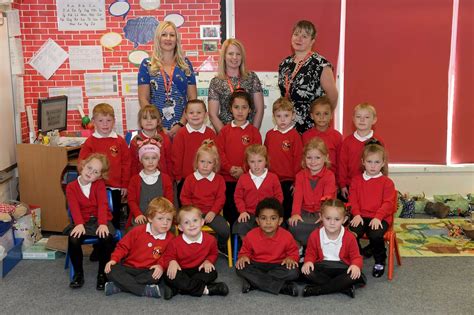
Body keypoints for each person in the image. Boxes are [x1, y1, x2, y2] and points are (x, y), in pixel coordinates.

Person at [104, 197, 176, 298]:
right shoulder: (137, 231)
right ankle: (143, 290)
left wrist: (160, 266)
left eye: (169, 219)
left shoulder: (170, 238)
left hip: (147, 270)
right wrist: (114, 259)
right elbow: (122, 247)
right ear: (150, 218)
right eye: (160, 218)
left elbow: (168, 256)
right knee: (110, 270)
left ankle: (120, 286)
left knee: (156, 276)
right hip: (129, 267)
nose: (165, 223)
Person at [138, 21, 197, 138]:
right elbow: (143, 99)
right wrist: (157, 125)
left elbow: (192, 98)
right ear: (158, 38)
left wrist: (181, 123)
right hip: (155, 129)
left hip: (183, 127)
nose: (168, 38)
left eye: (172, 35)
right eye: (164, 35)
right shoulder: (147, 64)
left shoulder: (185, 65)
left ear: (177, 39)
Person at [64, 153, 115, 290]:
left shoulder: (99, 185)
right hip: (81, 221)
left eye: (95, 172)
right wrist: (79, 224)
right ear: (83, 165)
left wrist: (103, 223)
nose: (90, 173)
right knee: (73, 239)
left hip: (100, 219)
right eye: (89, 168)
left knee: (107, 238)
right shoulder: (71, 187)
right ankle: (78, 274)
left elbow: (103, 205)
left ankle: (102, 274)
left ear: (99, 176)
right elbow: (73, 207)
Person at [278, 20, 338, 134]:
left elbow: (333, 96)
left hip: (312, 126)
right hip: (288, 125)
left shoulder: (320, 64)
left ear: (312, 41)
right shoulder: (284, 64)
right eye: (296, 34)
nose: (299, 39)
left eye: (304, 36)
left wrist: (322, 118)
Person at [159, 206, 229, 299]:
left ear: (202, 222)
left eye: (195, 220)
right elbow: (168, 256)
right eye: (186, 222)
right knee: (168, 275)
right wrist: (172, 261)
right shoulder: (174, 242)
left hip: (199, 268)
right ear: (180, 227)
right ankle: (207, 290)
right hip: (182, 270)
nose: (191, 225)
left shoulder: (210, 239)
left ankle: (178, 289)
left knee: (212, 273)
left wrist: (208, 261)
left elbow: (213, 253)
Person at [79, 103, 131, 229]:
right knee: (99, 218)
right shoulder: (90, 142)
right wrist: (86, 182)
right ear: (93, 122)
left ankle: (115, 243)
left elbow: (126, 163)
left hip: (115, 187)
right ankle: (101, 243)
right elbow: (82, 163)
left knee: (115, 217)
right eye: (101, 120)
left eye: (108, 120)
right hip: (95, 187)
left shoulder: (119, 141)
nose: (105, 124)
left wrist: (124, 184)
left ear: (114, 121)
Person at [302, 199, 366, 298]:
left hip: (342, 267)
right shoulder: (315, 235)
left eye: (337, 219)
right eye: (328, 218)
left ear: (344, 220)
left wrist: (356, 265)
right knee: (306, 271)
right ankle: (343, 288)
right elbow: (310, 252)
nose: (332, 223)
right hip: (323, 266)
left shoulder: (349, 237)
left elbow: (356, 257)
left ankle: (318, 290)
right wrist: (308, 261)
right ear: (321, 217)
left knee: (355, 275)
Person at [235, 198, 300, 297]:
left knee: (294, 271)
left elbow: (293, 253)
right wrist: (243, 257)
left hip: (278, 265)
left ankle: (254, 283)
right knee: (240, 268)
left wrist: (291, 258)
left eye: (273, 218)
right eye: (263, 218)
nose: (268, 222)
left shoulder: (287, 236)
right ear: (257, 220)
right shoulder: (251, 235)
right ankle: (282, 287)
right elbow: (244, 252)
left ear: (280, 220)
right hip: (257, 265)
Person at [349, 143, 395, 278]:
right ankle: (356, 258)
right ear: (363, 162)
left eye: (377, 162)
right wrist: (356, 214)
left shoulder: (387, 183)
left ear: (383, 163)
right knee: (351, 233)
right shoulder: (356, 181)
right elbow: (353, 200)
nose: (373, 165)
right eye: (369, 162)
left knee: (375, 235)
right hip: (360, 216)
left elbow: (388, 203)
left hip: (380, 217)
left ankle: (380, 261)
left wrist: (378, 217)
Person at [216, 90, 262, 227]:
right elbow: (219, 153)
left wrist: (244, 169)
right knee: (230, 214)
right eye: (236, 107)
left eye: (244, 107)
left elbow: (258, 155)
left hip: (248, 180)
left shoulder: (254, 132)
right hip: (227, 180)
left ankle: (245, 245)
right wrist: (229, 168)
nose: (240, 111)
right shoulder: (224, 131)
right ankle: (229, 245)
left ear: (250, 109)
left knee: (246, 215)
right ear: (230, 109)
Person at [180, 140, 229, 253]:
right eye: (202, 161)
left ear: (215, 164)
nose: (205, 165)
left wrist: (213, 212)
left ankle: (219, 246)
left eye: (209, 162)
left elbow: (220, 199)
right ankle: (192, 249)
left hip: (212, 213)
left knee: (224, 230)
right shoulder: (190, 179)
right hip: (193, 214)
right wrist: (194, 213)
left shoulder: (219, 180)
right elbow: (185, 197)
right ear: (197, 162)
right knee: (190, 229)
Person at [208, 38, 264, 132]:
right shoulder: (216, 82)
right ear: (224, 56)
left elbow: (260, 109)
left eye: (238, 54)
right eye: (230, 53)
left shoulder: (252, 78)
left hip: (248, 135)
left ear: (242, 57)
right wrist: (226, 137)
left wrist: (253, 134)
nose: (234, 57)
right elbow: (213, 115)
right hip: (226, 135)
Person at [289, 138, 337, 248]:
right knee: (293, 225)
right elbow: (297, 198)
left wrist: (324, 215)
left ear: (325, 158)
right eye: (309, 158)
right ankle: (301, 248)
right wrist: (295, 213)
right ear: (304, 159)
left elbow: (328, 199)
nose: (313, 161)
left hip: (321, 212)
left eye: (317, 158)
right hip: (305, 212)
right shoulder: (300, 175)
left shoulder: (329, 176)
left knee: (326, 226)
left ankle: (317, 249)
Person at [264, 97, 303, 221]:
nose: (282, 119)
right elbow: (264, 157)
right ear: (273, 117)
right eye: (278, 116)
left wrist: (296, 183)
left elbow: (299, 161)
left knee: (286, 212)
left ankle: (286, 237)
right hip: (271, 179)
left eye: (286, 115)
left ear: (292, 116)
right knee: (273, 211)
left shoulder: (295, 136)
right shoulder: (270, 135)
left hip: (288, 182)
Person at [233, 144, 283, 238]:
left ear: (266, 161)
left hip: (268, 215)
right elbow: (238, 197)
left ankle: (267, 251)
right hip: (249, 214)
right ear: (247, 162)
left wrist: (272, 211)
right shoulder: (243, 178)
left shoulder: (273, 178)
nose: (256, 165)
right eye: (252, 161)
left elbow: (279, 196)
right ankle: (248, 249)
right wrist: (242, 211)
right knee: (241, 227)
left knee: (274, 229)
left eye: (260, 161)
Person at [172, 99, 216, 201]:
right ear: (186, 115)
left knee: (205, 205)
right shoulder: (181, 134)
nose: (195, 115)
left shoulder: (210, 134)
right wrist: (178, 177)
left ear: (205, 114)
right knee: (186, 210)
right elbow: (176, 157)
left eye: (199, 112)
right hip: (185, 179)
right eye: (191, 113)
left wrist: (214, 174)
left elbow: (215, 157)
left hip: (206, 177)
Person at [338, 103, 384, 200]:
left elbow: (383, 164)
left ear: (374, 120)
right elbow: (342, 164)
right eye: (358, 117)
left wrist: (382, 182)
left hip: (373, 184)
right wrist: (342, 185)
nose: (362, 120)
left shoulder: (378, 141)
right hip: (351, 185)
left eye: (366, 117)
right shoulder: (347, 142)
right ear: (353, 119)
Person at [127, 138, 174, 228]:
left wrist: (163, 216)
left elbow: (169, 200)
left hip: (161, 217)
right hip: (141, 217)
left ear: (158, 159)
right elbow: (131, 201)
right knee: (137, 232)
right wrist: (137, 214)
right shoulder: (135, 180)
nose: (150, 161)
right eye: (146, 158)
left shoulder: (165, 178)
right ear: (141, 160)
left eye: (154, 158)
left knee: (169, 230)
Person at [302, 96, 342, 183]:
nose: (322, 117)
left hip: (331, 179)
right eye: (318, 114)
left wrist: (339, 182)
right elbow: (302, 161)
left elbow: (340, 162)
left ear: (331, 115)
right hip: (310, 179)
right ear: (312, 116)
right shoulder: (306, 136)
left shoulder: (337, 136)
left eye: (325, 114)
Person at [129, 105, 173, 177]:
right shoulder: (135, 141)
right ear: (140, 122)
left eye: (152, 118)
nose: (149, 121)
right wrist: (135, 182)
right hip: (142, 181)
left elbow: (169, 162)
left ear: (158, 121)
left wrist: (170, 180)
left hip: (162, 181)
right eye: (145, 118)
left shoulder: (165, 139)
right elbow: (133, 164)